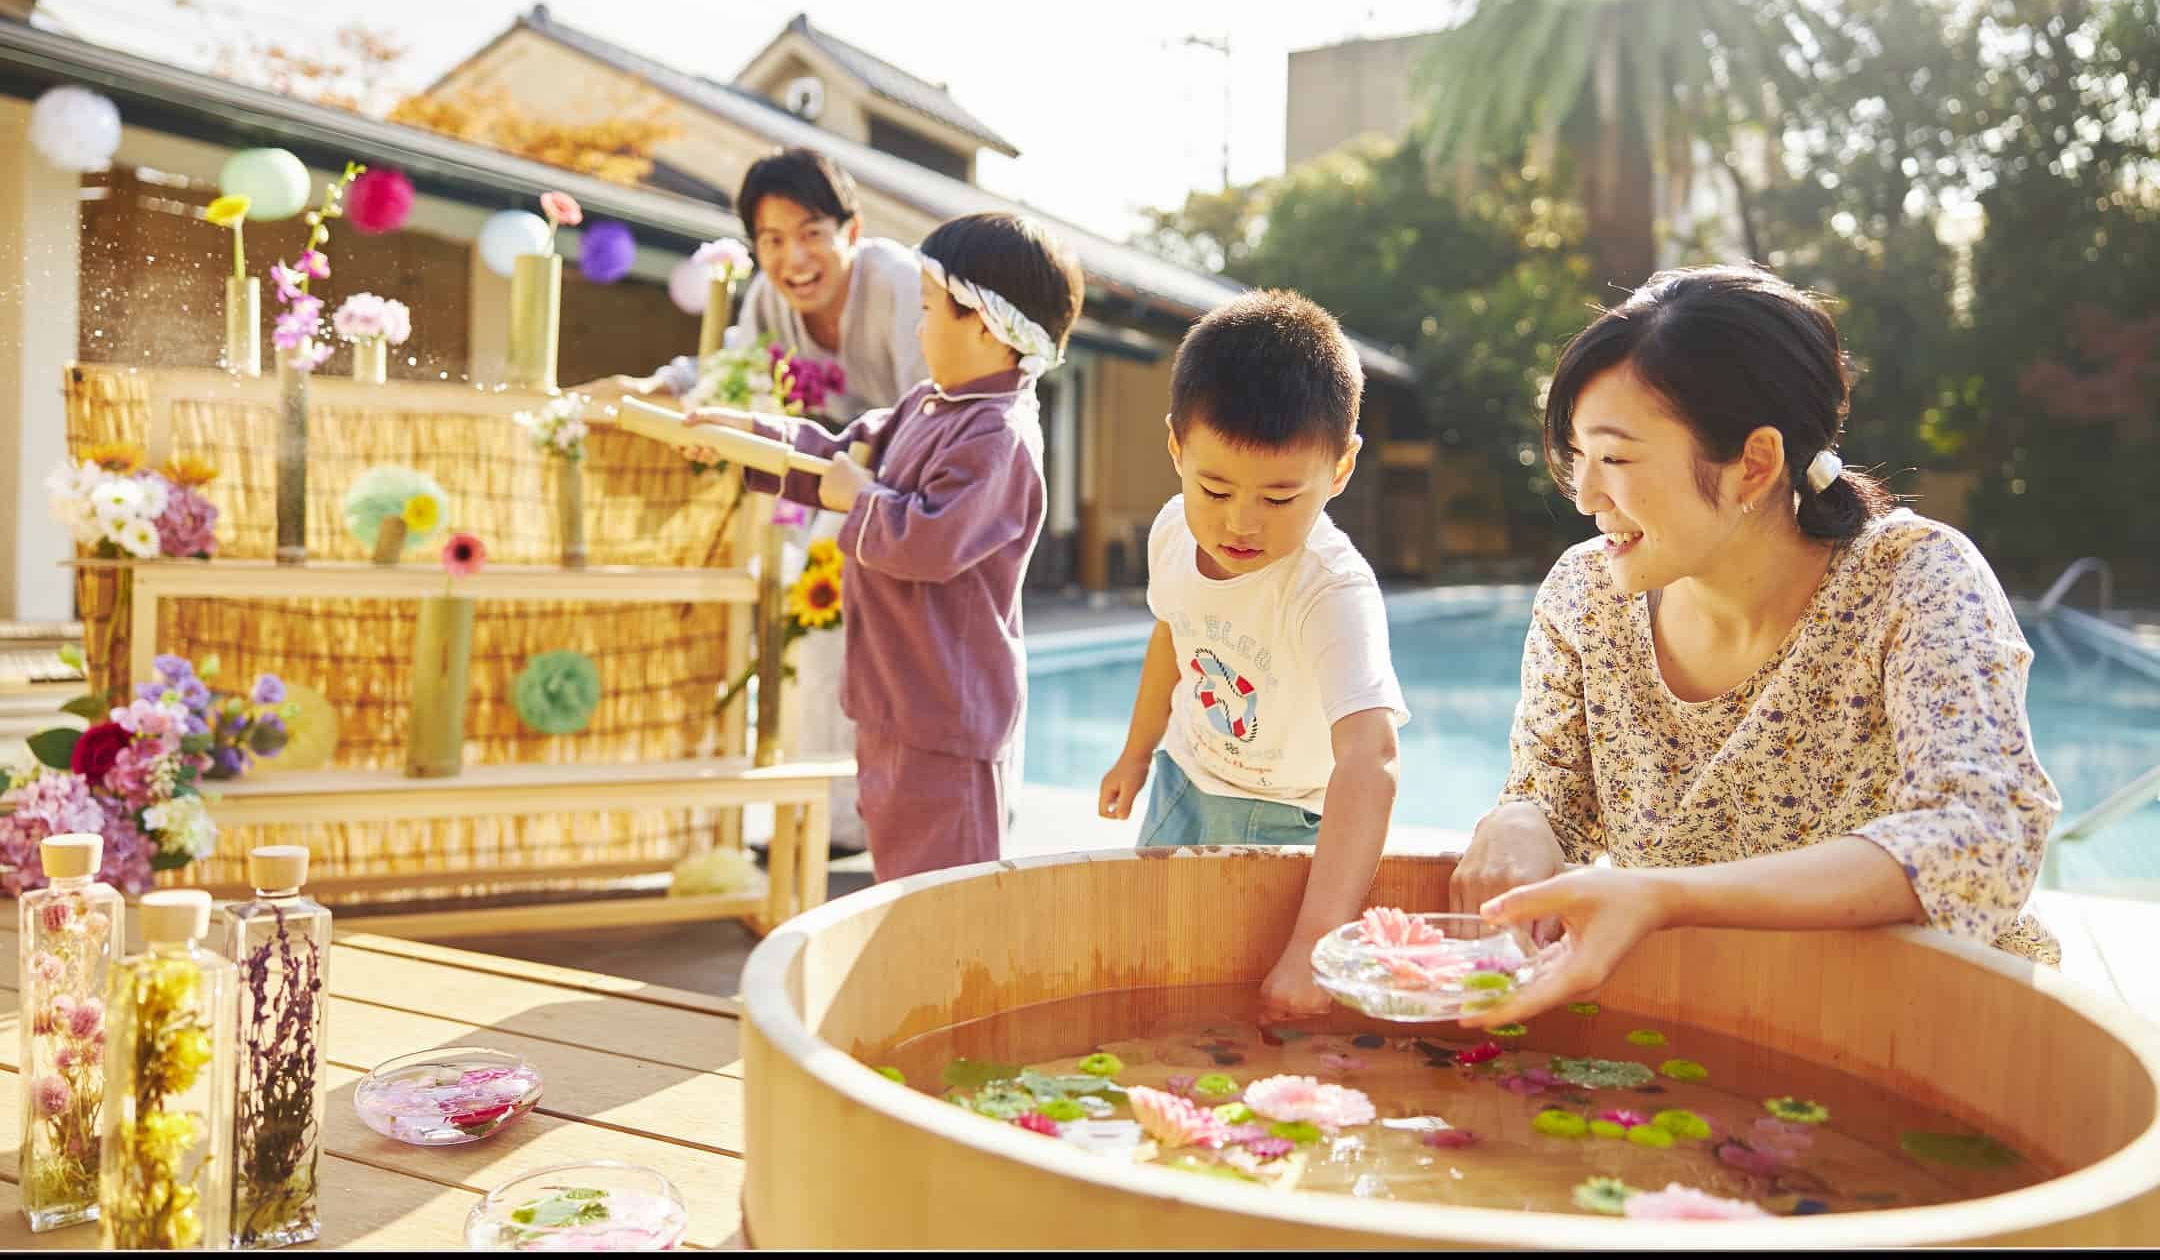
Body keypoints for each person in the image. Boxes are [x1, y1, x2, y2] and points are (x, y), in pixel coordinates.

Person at [1450, 265, 2062, 1030]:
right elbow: (1552, 800)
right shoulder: (1587, 596)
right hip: (1721, 1027)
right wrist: (1523, 818)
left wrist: (1665, 896)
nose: (1584, 495)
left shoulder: (1913, 580)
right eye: (1577, 455)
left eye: (1617, 457)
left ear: (1756, 463)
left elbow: (1983, 836)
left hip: (1940, 1034)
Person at [685, 212, 1084, 881]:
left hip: (948, 716)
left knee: (944, 892)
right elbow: (835, 454)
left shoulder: (999, 435)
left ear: (986, 326)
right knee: (898, 878)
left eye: (929, 310)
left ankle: (949, 987)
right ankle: (910, 982)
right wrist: (741, 434)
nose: (919, 327)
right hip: (893, 699)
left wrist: (857, 499)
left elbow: (928, 539)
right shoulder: (928, 406)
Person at [596, 148, 928, 855]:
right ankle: (827, 810)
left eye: (811, 232)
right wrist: (653, 388)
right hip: (832, 485)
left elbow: (930, 416)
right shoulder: (768, 300)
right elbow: (727, 370)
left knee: (922, 660)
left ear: (852, 229)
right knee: (799, 623)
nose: (794, 257)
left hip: (920, 488)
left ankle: (883, 810)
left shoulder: (901, 284)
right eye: (771, 240)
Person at [1096, 291, 1409, 1020]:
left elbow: (1372, 757)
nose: (1240, 522)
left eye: (1279, 497)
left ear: (1339, 470)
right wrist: (1138, 753)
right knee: (1158, 973)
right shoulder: (1175, 531)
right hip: (1183, 782)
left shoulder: (1330, 589)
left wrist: (1315, 945)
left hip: (1284, 821)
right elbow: (1173, 634)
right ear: (1177, 448)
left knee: (1250, 1003)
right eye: (1215, 486)